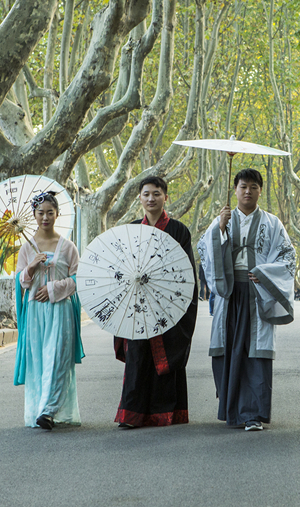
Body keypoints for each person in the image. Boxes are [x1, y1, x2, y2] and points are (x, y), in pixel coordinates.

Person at [198, 168, 296, 431]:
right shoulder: (223, 220)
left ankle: (252, 414)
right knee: (229, 349)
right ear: (235, 190)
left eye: (253, 186)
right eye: (243, 186)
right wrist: (219, 228)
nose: (248, 191)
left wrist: (264, 274)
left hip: (257, 293)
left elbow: (288, 256)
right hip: (229, 294)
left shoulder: (273, 223)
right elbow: (204, 250)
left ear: (260, 190)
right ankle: (232, 410)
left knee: (255, 353)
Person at [113, 176, 198, 428]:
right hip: (138, 305)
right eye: (147, 194)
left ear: (165, 197)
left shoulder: (179, 230)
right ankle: (132, 415)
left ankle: (166, 413)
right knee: (138, 357)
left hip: (167, 305)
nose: (151, 199)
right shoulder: (131, 229)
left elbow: (185, 273)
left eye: (157, 194)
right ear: (139, 198)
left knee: (166, 358)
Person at [14, 192, 84, 430]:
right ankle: (39, 409)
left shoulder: (68, 247)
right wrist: (31, 267)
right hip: (35, 311)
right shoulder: (26, 248)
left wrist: (54, 288)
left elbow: (78, 279)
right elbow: (22, 282)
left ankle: (48, 410)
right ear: (34, 214)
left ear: (57, 214)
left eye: (50, 212)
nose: (45, 217)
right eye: (41, 212)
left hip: (61, 309)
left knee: (57, 358)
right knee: (39, 361)